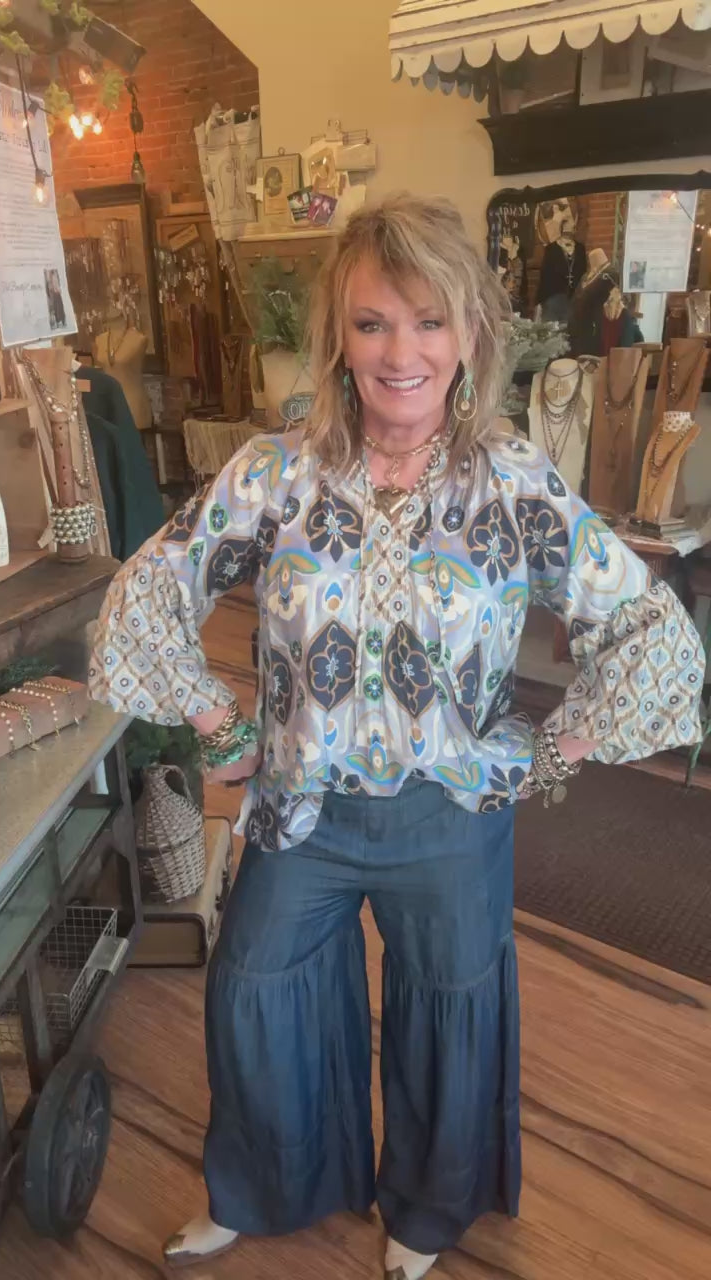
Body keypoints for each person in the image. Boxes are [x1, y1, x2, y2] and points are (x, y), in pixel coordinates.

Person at [88, 194, 704, 1280]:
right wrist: (219, 720)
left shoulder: (513, 482)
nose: (400, 352)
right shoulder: (273, 472)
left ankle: (426, 1210)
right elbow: (149, 591)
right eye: (373, 323)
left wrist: (550, 752)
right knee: (253, 987)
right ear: (340, 336)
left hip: (449, 815)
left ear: (470, 333)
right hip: (301, 809)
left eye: (428, 321)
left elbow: (651, 629)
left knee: (449, 1012)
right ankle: (264, 1185)